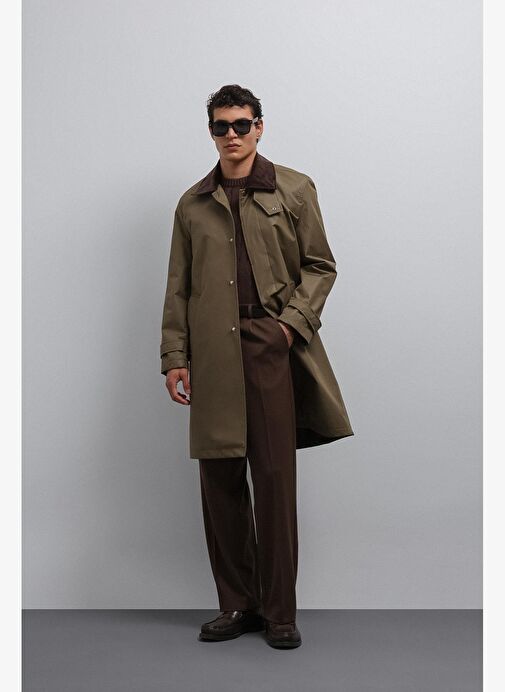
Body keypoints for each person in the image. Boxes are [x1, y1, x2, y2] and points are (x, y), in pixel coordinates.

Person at [160, 84, 354, 649]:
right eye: (221, 126)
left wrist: (288, 327)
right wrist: (175, 356)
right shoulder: (192, 204)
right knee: (220, 481)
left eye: (241, 124)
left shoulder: (294, 188)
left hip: (270, 346)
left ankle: (279, 612)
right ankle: (237, 605)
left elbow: (320, 266)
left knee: (273, 479)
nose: (232, 135)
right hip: (211, 353)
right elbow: (178, 287)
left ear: (259, 127)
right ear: (211, 132)